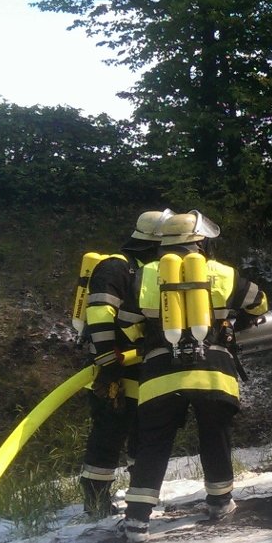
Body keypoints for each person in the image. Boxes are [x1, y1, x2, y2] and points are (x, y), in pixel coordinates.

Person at [121, 210, 269, 543]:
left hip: (160, 376)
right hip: (213, 374)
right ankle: (219, 502)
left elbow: (127, 323)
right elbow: (259, 304)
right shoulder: (222, 273)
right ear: (201, 243)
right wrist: (231, 320)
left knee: (153, 446)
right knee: (214, 436)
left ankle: (137, 520)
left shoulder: (145, 276)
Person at [79, 209, 172, 518]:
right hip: (116, 369)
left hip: (144, 369)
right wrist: (108, 363)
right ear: (154, 242)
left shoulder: (149, 271)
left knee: (141, 434)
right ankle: (95, 502)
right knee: (108, 433)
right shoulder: (115, 268)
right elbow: (99, 315)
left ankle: (138, 497)